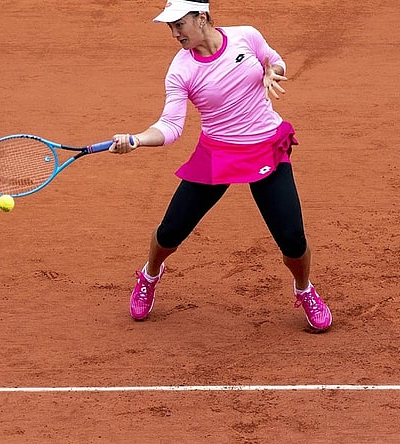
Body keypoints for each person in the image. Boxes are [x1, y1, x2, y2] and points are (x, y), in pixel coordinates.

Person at [109, 0, 332, 332]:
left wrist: (274, 70)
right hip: (217, 155)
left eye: (179, 24)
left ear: (201, 18)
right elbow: (171, 127)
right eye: (170, 27)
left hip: (266, 149)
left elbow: (276, 62)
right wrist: (137, 139)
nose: (174, 33)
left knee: (293, 240)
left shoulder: (247, 36)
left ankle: (304, 289)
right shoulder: (181, 70)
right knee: (170, 232)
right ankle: (149, 275)